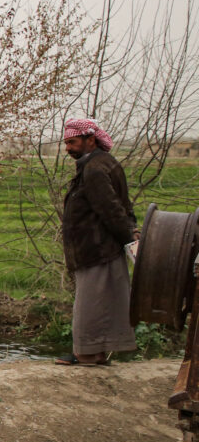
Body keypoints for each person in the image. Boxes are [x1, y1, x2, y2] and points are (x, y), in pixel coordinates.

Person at [55, 117, 137, 366]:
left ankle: (87, 354)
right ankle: (97, 353)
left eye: (73, 142)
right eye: (66, 143)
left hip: (96, 248)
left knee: (90, 303)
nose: (68, 148)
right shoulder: (100, 164)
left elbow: (112, 209)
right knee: (104, 300)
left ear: (91, 140)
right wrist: (129, 234)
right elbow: (123, 205)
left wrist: (129, 240)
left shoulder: (94, 169)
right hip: (100, 247)